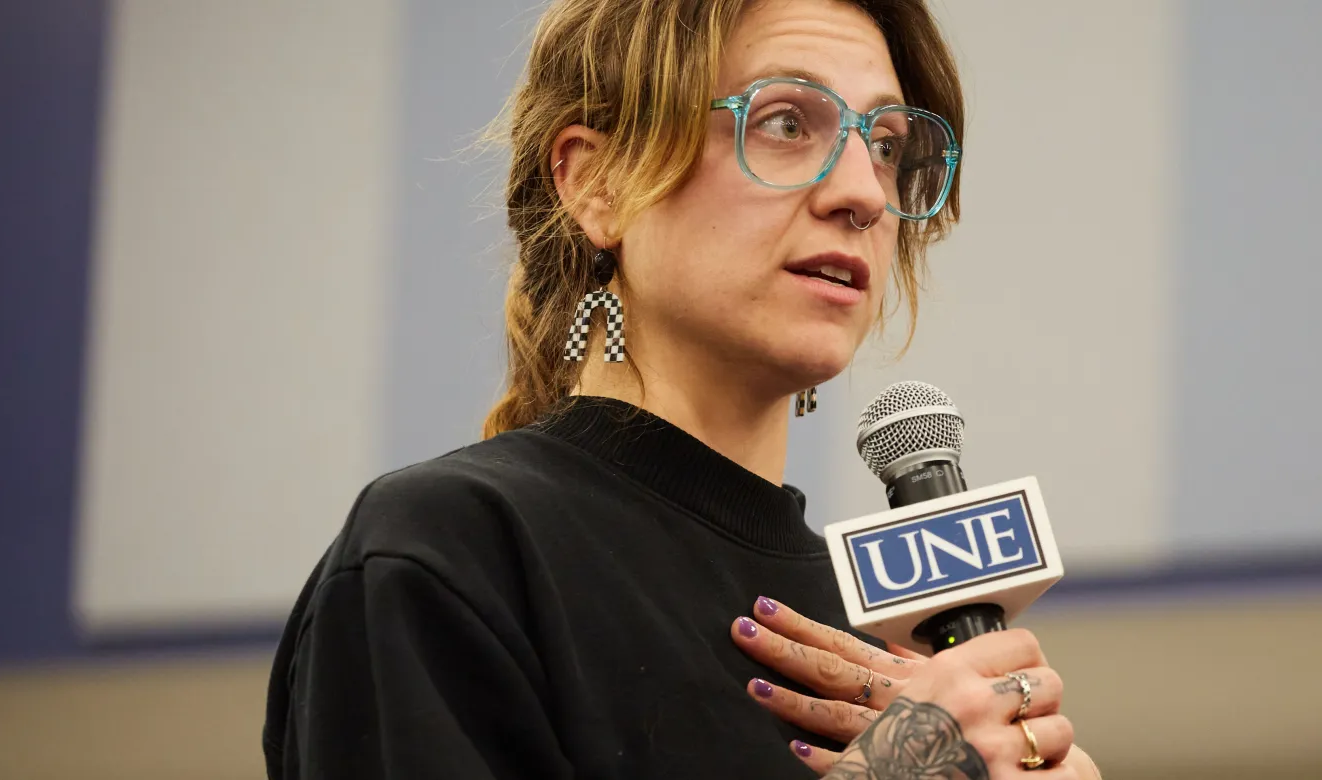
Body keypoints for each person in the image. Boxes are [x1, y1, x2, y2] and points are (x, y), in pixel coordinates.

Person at [262, 0, 1097, 777]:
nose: (862, 194)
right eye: (783, 122)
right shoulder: (454, 548)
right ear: (598, 185)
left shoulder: (878, 646)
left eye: (883, 143)